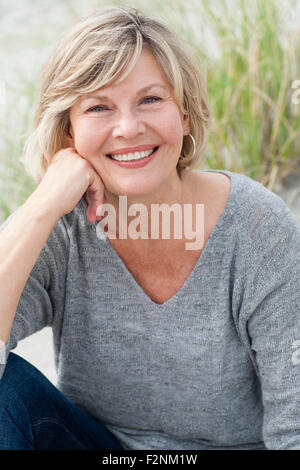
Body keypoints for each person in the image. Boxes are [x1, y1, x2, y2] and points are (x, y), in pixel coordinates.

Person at [0, 5, 300, 451]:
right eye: (99, 107)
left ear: (185, 113)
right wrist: (42, 204)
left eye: (150, 99)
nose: (128, 127)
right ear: (68, 132)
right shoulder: (61, 229)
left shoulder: (258, 229)